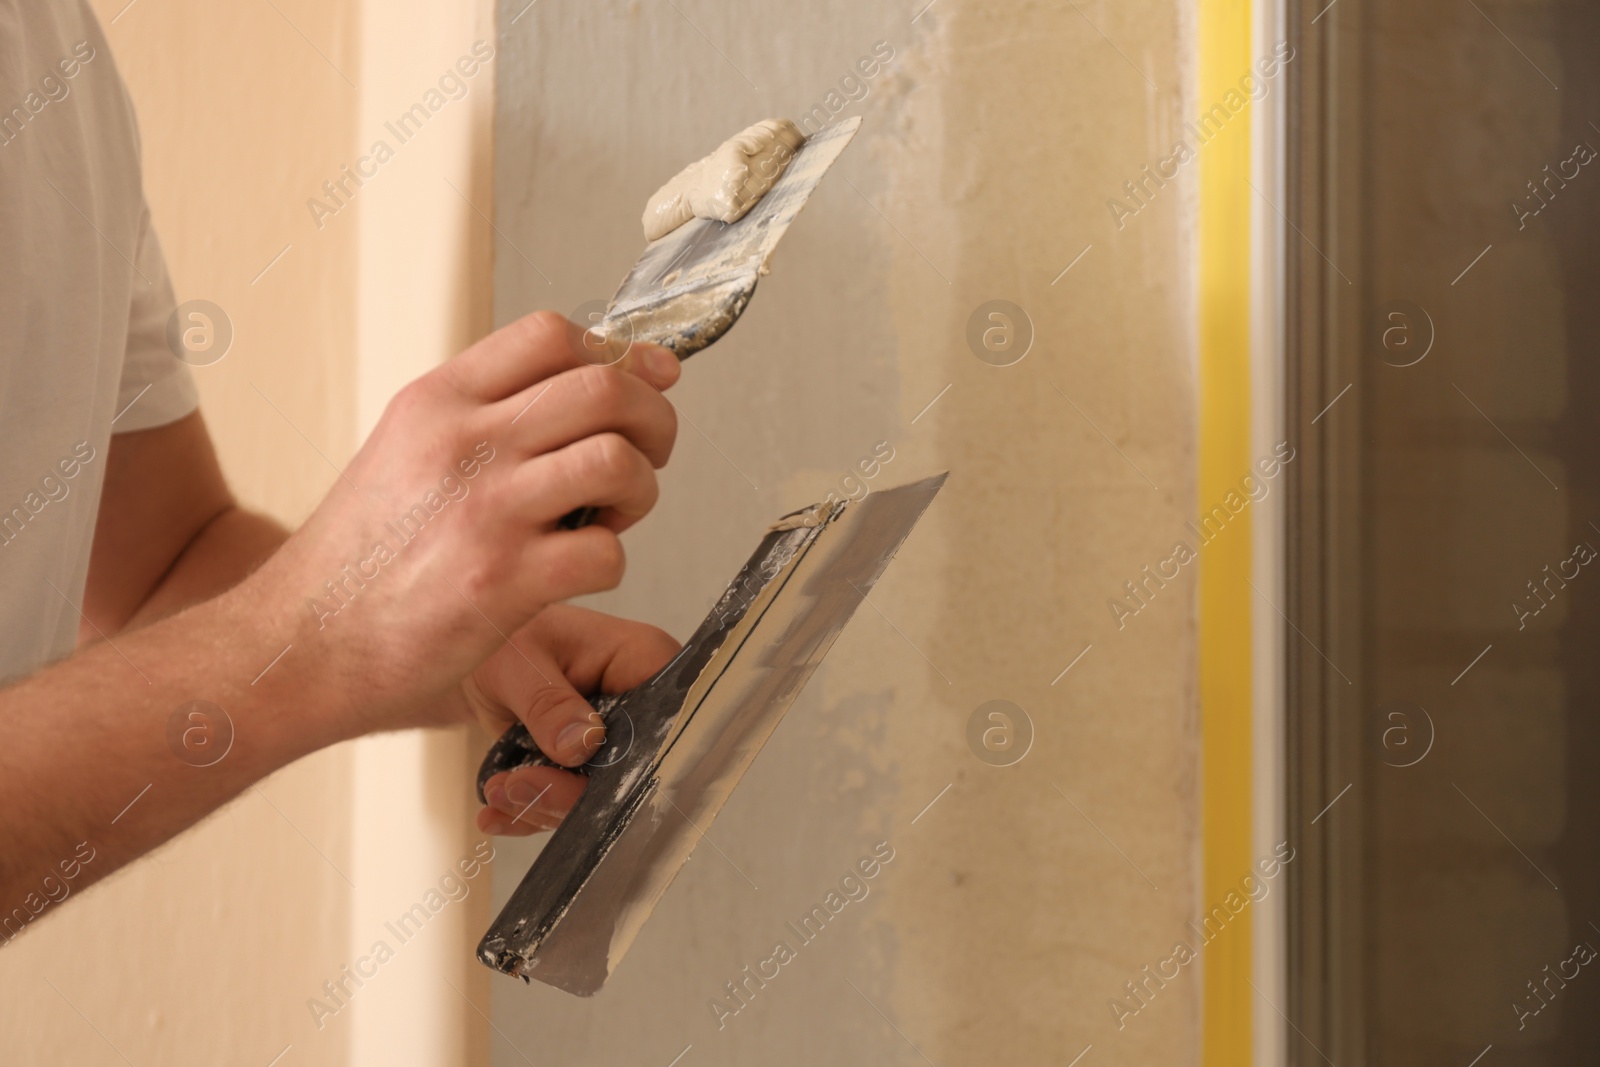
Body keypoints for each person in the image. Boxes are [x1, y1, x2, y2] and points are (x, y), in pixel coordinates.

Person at [0, 0, 680, 923]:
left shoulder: (51, 47)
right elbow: (281, 629)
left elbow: (160, 567)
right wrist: (321, 633)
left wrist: (455, 633)